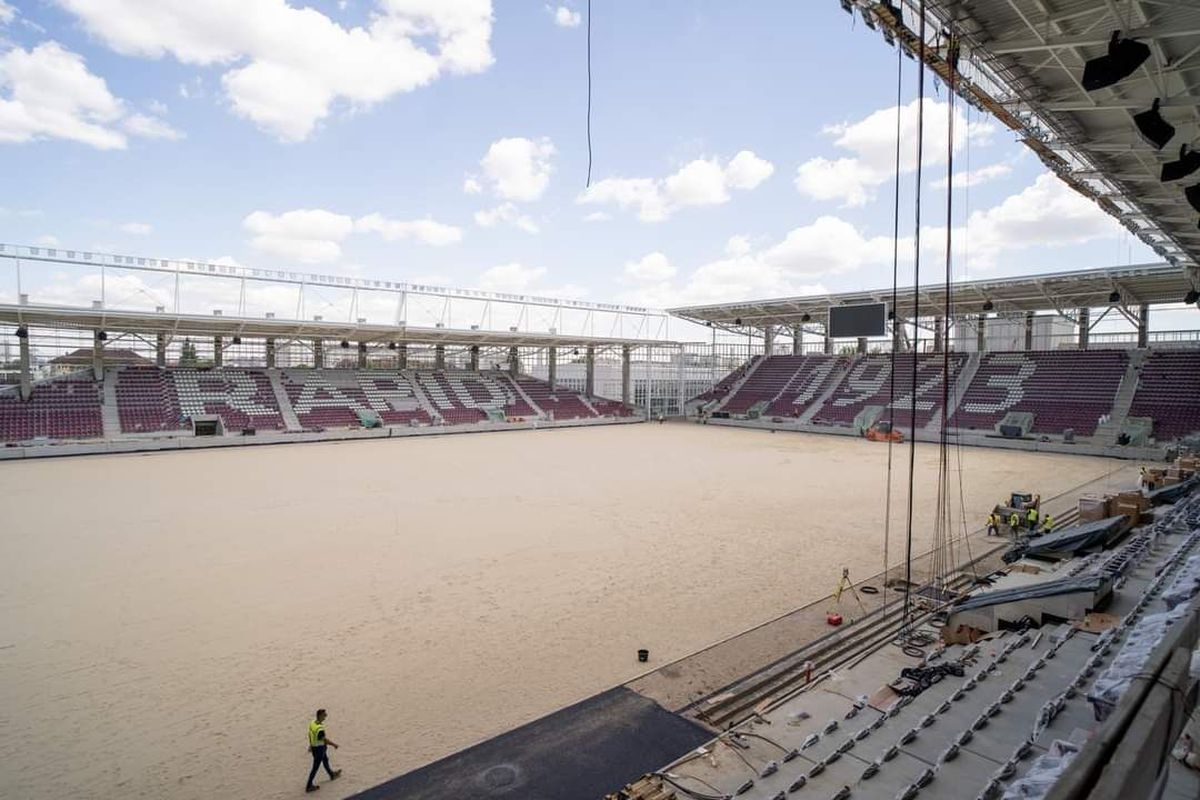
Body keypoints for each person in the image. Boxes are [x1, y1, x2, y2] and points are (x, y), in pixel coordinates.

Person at [306, 708, 342, 793]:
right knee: (315, 767)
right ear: (320, 716)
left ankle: (331, 774)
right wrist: (334, 744)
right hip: (319, 749)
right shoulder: (319, 729)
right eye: (324, 715)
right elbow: (324, 740)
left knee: (325, 760)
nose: (326, 716)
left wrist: (311, 745)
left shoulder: (312, 723)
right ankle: (309, 786)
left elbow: (310, 734)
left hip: (316, 748)